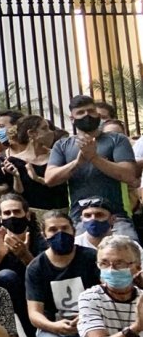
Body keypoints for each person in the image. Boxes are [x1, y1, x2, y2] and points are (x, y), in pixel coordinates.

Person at [46, 95, 137, 240]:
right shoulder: (62, 145)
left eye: (90, 111)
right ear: (72, 118)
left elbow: (129, 175)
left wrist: (94, 158)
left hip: (117, 218)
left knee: (129, 256)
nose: (86, 115)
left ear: (98, 115)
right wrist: (78, 162)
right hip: (79, 218)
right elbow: (50, 179)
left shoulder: (117, 140)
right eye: (80, 113)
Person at [25, 210, 99, 337]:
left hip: (92, 321)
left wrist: (86, 316)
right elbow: (34, 314)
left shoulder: (91, 257)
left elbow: (105, 293)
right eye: (53, 230)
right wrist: (55, 326)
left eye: (65, 228)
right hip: (54, 327)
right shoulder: (36, 267)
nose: (60, 233)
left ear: (74, 230)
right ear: (44, 235)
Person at [70, 235, 143, 337]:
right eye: (104, 263)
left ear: (137, 268)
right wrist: (137, 327)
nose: (111, 270)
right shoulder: (90, 298)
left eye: (119, 263)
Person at [0, 193, 46, 337]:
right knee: (6, 276)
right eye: (7, 213)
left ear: (27, 215)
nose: (12, 217)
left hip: (35, 293)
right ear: (0, 218)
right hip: (2, 298)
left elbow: (46, 276)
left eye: (17, 212)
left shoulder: (39, 238)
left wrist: (25, 255)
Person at [3, 115, 68, 217]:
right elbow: (17, 194)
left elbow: (62, 184)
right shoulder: (15, 161)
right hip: (31, 216)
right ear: (31, 133)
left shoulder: (57, 156)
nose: (51, 132)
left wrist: (38, 179)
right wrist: (16, 176)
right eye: (44, 128)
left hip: (59, 215)